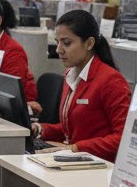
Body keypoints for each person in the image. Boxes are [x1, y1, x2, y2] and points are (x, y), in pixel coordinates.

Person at [37, 9, 131, 160]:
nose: (59, 50)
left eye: (66, 43)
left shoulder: (111, 80)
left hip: (100, 165)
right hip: (76, 161)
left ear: (89, 43)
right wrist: (40, 129)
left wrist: (75, 148)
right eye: (57, 42)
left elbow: (124, 138)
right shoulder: (70, 74)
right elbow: (73, 128)